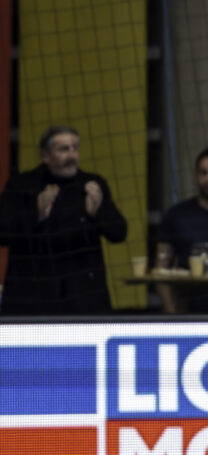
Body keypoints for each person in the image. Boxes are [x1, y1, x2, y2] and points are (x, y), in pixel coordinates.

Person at [0, 125, 127, 314]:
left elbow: (119, 233)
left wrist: (96, 214)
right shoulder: (21, 185)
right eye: (63, 149)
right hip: (34, 298)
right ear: (45, 155)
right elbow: (3, 233)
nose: (71, 155)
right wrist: (37, 215)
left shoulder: (92, 185)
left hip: (84, 297)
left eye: (75, 148)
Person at [154, 148, 208, 312]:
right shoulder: (177, 214)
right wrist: (170, 312)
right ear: (196, 177)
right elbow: (161, 267)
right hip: (187, 308)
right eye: (204, 173)